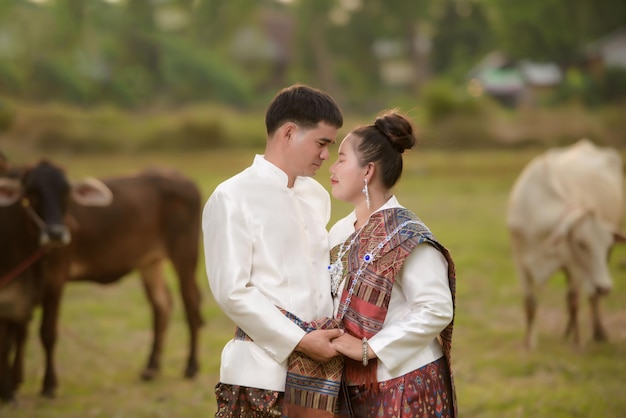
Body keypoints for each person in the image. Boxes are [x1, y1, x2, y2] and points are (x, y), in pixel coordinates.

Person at [203, 84, 346, 417]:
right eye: (321, 143)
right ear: (289, 133)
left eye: (330, 146)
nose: (326, 155)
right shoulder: (232, 196)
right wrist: (298, 339)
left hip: (321, 373)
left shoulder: (316, 196)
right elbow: (232, 291)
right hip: (260, 371)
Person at [328, 110, 457, 417]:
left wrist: (369, 349)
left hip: (406, 383)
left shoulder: (407, 235)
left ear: (367, 171)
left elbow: (436, 307)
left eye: (342, 159)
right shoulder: (340, 231)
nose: (331, 167)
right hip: (354, 386)